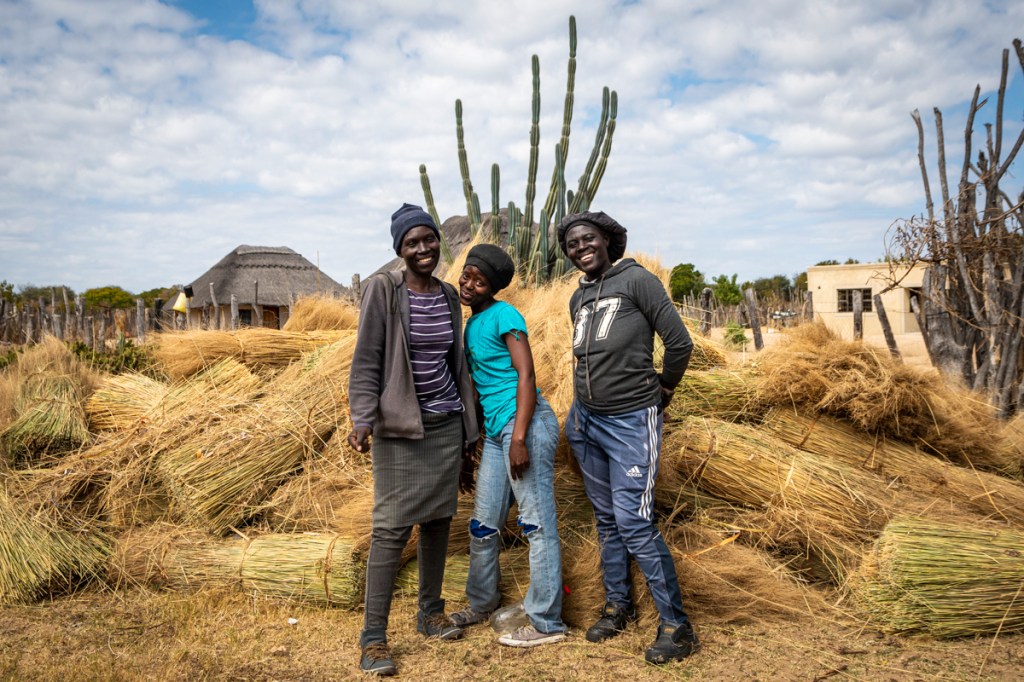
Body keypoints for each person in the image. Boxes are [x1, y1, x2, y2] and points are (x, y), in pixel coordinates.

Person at [557, 211, 700, 665]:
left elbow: (678, 343)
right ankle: (618, 606)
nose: (581, 248)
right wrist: (577, 415)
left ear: (607, 241)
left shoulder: (638, 281)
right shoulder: (578, 298)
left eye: (588, 239)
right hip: (586, 423)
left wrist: (664, 390)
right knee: (607, 519)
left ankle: (677, 627)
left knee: (634, 520)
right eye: (573, 244)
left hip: (629, 422)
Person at [347, 203, 479, 677]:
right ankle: (374, 639)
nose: (423, 249)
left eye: (429, 239)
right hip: (401, 428)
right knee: (391, 530)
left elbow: (455, 366)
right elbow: (367, 359)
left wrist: (468, 431)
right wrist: (362, 418)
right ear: (399, 249)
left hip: (445, 423)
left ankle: (429, 613)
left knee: (440, 519)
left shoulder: (447, 295)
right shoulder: (384, 290)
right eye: (412, 242)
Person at [450, 243, 567, 647]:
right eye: (467, 275)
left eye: (480, 281)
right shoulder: (470, 324)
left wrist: (519, 438)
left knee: (536, 524)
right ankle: (482, 604)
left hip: (526, 426)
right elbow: (479, 390)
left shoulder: (506, 315)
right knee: (483, 525)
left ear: (492, 288)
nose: (469, 284)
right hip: (499, 435)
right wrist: (473, 444)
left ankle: (547, 621)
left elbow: (527, 374)